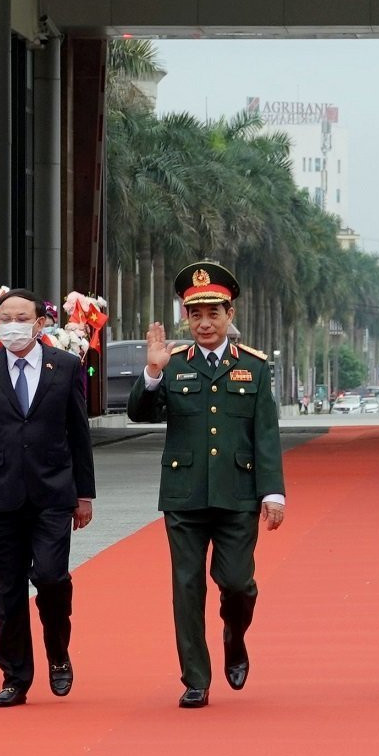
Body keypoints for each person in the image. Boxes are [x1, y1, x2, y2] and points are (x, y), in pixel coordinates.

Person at [130, 262, 289, 708]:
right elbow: (140, 414)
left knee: (238, 583)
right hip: (184, 492)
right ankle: (195, 677)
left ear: (229, 313)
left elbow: (266, 433)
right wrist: (153, 374)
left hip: (237, 492)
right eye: (194, 314)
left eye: (212, 313)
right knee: (187, 585)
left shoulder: (253, 368)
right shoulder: (173, 364)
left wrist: (272, 491)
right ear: (186, 316)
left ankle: (234, 637)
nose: (203, 323)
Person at [0, 290, 97, 709]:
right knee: (9, 588)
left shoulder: (65, 367)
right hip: (0, 494)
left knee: (51, 577)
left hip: (53, 493)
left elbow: (79, 433)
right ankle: (15, 675)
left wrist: (84, 494)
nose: (12, 324)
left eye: (21, 317)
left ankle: (58, 650)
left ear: (39, 324)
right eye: (5, 317)